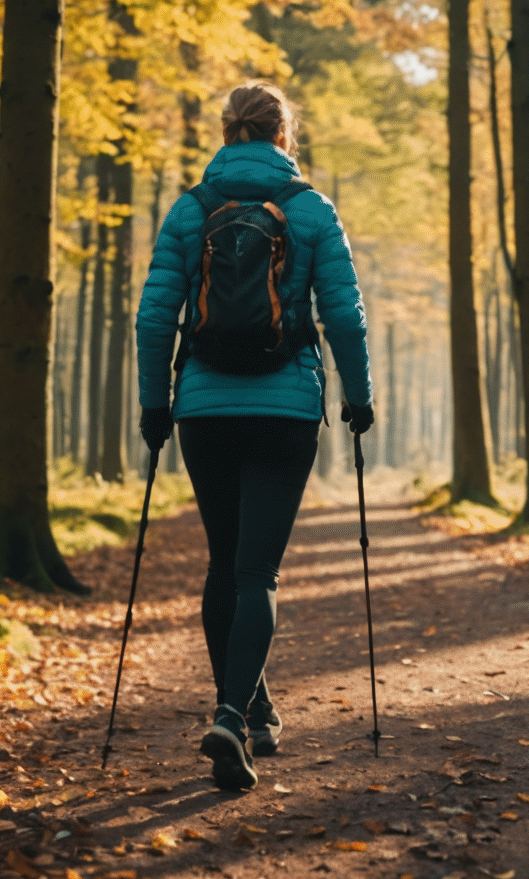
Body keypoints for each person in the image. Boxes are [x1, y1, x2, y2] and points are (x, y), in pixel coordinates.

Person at [134, 80, 374, 792]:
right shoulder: (309, 210)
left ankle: (252, 710)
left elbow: (154, 318)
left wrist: (156, 406)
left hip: (203, 410)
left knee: (223, 565)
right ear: (283, 135)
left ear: (227, 130)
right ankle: (234, 717)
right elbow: (345, 316)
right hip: (286, 409)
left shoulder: (190, 209)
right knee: (257, 572)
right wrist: (358, 397)